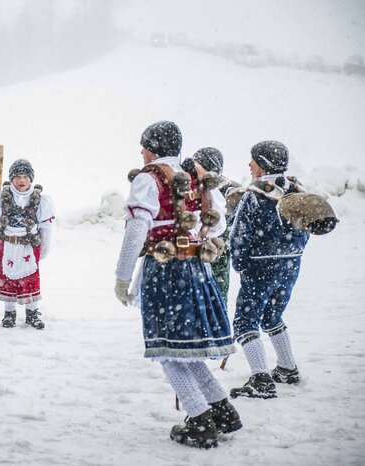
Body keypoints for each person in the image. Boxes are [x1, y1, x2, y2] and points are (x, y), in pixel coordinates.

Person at [114, 121, 240, 449]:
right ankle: (221, 410)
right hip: (195, 266)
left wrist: (122, 276)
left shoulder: (148, 178)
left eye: (143, 145)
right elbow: (218, 223)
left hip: (165, 269)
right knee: (184, 349)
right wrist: (193, 239)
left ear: (153, 147)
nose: (141, 152)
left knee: (169, 350)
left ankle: (200, 421)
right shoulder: (194, 177)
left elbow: (137, 227)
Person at [229, 141, 309, 399]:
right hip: (290, 265)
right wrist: (291, 254)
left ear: (263, 164)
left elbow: (239, 236)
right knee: (272, 315)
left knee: (245, 321)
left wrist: (239, 263)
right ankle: (287, 368)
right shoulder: (296, 192)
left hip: (260, 266)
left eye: (252, 160)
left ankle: (261, 379)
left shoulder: (254, 196)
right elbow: (306, 229)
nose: (249, 165)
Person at [0, 159, 55, 329]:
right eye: (18, 176)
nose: (22, 180)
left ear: (31, 179)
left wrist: (45, 247)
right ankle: (9, 313)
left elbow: (46, 227)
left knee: (30, 280)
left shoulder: (41, 201)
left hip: (29, 245)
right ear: (11, 178)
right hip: (6, 245)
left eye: (25, 176)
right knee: (6, 280)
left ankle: (32, 313)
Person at [181, 147, 240, 303]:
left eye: (198, 164)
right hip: (199, 251)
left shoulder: (229, 190)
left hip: (218, 252)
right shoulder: (188, 187)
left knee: (217, 298)